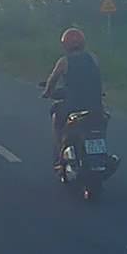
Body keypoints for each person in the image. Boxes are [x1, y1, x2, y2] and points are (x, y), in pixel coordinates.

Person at [41, 27, 103, 166]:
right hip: (96, 106)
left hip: (73, 106)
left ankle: (60, 152)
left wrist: (47, 92)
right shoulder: (93, 58)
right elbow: (96, 78)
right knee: (99, 125)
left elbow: (53, 79)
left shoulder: (64, 61)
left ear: (65, 44)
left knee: (56, 114)